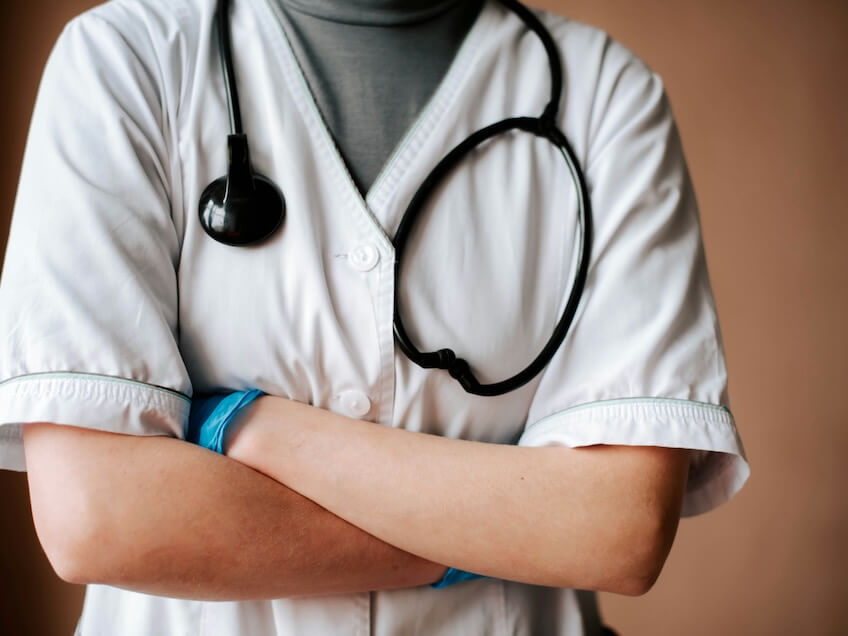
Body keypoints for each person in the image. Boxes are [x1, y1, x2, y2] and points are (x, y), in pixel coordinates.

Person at [0, 0, 749, 634]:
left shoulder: (607, 95)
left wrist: (251, 425)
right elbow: (99, 520)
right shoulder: (127, 60)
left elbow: (615, 531)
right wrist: (511, 532)